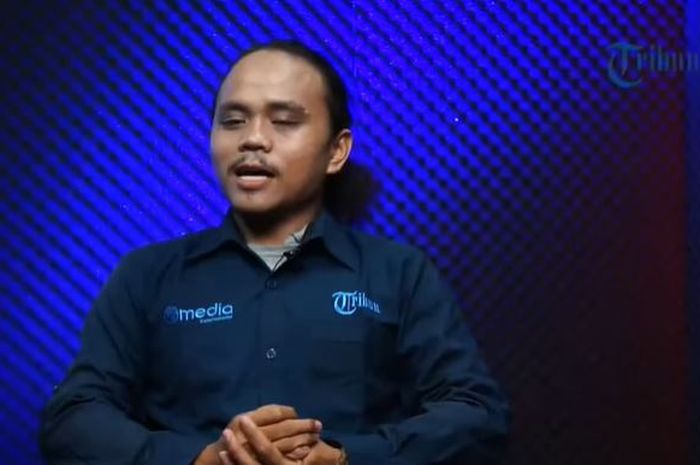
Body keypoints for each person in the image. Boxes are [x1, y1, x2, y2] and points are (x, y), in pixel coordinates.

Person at [40, 40, 510, 465]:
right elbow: (72, 418)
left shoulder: (399, 273)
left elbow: (478, 416)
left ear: (337, 151)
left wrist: (346, 459)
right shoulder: (148, 274)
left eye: (284, 121)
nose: (253, 139)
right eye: (232, 120)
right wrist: (199, 460)